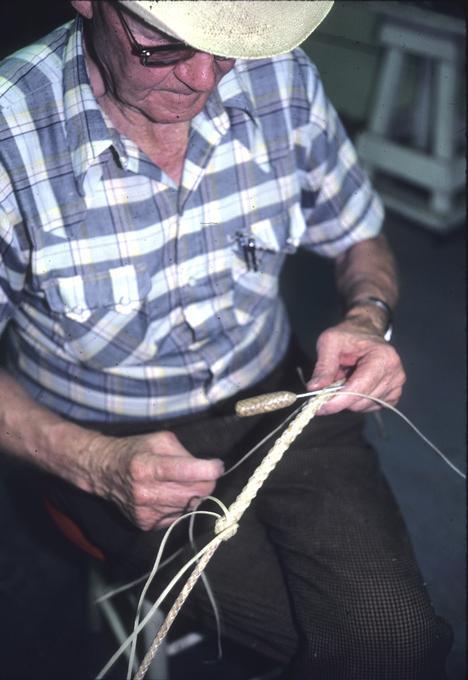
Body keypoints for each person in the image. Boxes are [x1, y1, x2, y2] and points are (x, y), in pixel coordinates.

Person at [0, 1, 452, 677]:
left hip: (285, 395)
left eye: (229, 47)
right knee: (351, 650)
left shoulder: (283, 79)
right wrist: (93, 462)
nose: (206, 80)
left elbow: (357, 230)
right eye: (168, 46)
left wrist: (367, 314)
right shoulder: (11, 131)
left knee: (392, 640)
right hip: (105, 438)